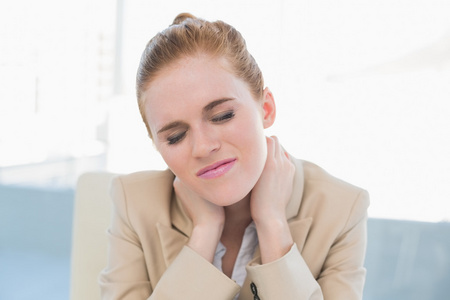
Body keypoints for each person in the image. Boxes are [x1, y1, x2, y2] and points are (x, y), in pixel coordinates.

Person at [99, 13, 370, 300]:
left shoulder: (342, 209)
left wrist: (272, 222)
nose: (202, 147)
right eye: (175, 136)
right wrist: (204, 234)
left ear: (265, 109)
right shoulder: (133, 201)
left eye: (222, 116)